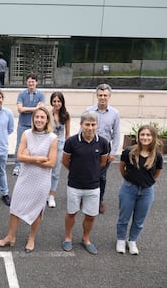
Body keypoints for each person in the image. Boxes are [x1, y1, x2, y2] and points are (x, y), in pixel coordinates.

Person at [0, 107, 57, 252]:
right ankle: (11, 236)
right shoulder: (26, 134)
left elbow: (51, 163)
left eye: (42, 117)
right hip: (25, 178)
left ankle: (31, 238)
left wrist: (29, 158)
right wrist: (37, 159)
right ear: (33, 119)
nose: (39, 120)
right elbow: (19, 157)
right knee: (15, 207)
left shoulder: (52, 138)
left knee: (37, 211)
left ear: (47, 119)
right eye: (37, 117)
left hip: (41, 181)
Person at [61, 111, 109, 255]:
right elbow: (65, 161)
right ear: (81, 125)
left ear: (97, 126)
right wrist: (76, 171)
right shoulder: (71, 142)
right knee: (71, 213)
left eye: (93, 124)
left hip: (93, 186)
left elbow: (102, 162)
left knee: (91, 215)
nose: (90, 127)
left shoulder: (103, 143)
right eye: (87, 124)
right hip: (74, 185)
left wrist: (91, 173)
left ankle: (86, 239)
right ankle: (68, 238)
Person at [116, 125, 163, 255]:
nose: (145, 137)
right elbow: (122, 167)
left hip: (147, 192)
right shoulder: (129, 152)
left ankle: (132, 241)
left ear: (153, 138)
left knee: (139, 220)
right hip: (128, 189)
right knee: (123, 217)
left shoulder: (157, 156)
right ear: (138, 136)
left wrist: (148, 182)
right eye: (142, 134)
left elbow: (157, 172)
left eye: (148, 135)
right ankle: (120, 239)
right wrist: (127, 179)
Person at [85, 83, 120, 214]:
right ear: (97, 96)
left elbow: (116, 134)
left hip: (105, 149)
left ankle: (99, 200)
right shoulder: (89, 111)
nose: (102, 98)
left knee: (101, 177)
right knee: (88, 173)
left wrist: (113, 152)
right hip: (89, 146)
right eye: (100, 95)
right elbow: (81, 129)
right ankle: (86, 197)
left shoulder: (115, 113)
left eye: (105, 95)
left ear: (109, 96)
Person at [13, 73, 45, 176]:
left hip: (35, 125)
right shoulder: (21, 94)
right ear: (26, 82)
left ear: (36, 82)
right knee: (19, 145)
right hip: (23, 124)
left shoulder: (41, 95)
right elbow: (20, 109)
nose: (31, 83)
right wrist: (34, 109)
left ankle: (33, 164)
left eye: (33, 81)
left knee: (36, 145)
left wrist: (27, 109)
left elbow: (40, 109)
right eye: (29, 81)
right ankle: (18, 166)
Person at [47, 92, 70, 208]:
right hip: (48, 144)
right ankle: (43, 193)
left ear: (62, 102)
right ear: (51, 102)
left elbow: (67, 134)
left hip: (60, 145)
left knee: (56, 172)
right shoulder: (47, 114)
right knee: (46, 170)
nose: (56, 103)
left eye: (59, 101)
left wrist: (68, 149)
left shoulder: (66, 115)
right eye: (54, 101)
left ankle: (51, 195)